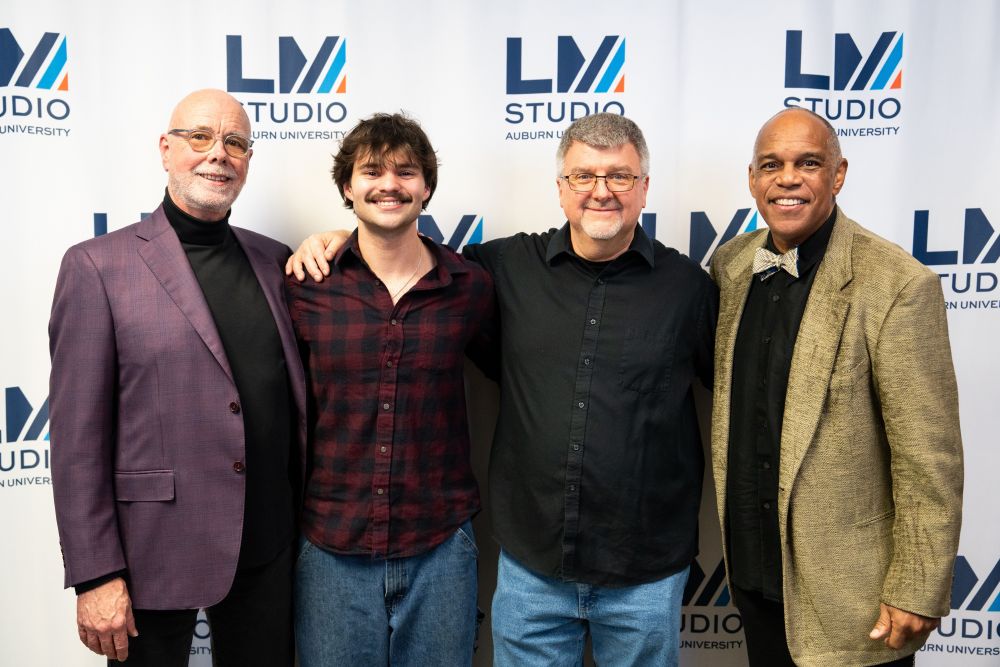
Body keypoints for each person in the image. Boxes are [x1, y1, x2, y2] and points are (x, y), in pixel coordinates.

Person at [288, 112, 717, 666]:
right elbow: (392, 244)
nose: (601, 191)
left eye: (620, 177)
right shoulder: (503, 268)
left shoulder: (689, 288)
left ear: (645, 188)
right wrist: (341, 238)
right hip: (529, 564)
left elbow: (731, 398)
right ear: (561, 188)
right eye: (584, 176)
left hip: (644, 568)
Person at [49, 89, 304, 666]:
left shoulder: (275, 261)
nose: (218, 153)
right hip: (149, 556)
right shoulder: (96, 266)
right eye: (200, 137)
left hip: (267, 549)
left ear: (247, 161)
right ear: (166, 150)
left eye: (235, 142)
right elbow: (76, 442)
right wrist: (96, 575)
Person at [709, 107, 963, 666]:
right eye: (771, 164)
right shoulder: (729, 266)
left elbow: (929, 457)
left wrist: (916, 586)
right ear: (753, 179)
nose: (788, 178)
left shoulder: (896, 283)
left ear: (838, 175)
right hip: (753, 575)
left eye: (809, 163)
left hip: (853, 598)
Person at [286, 113, 497, 666]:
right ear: (347, 187)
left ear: (426, 187)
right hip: (331, 545)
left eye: (406, 171)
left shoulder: (469, 286)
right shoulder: (306, 282)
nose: (389, 184)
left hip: (441, 545)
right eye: (371, 170)